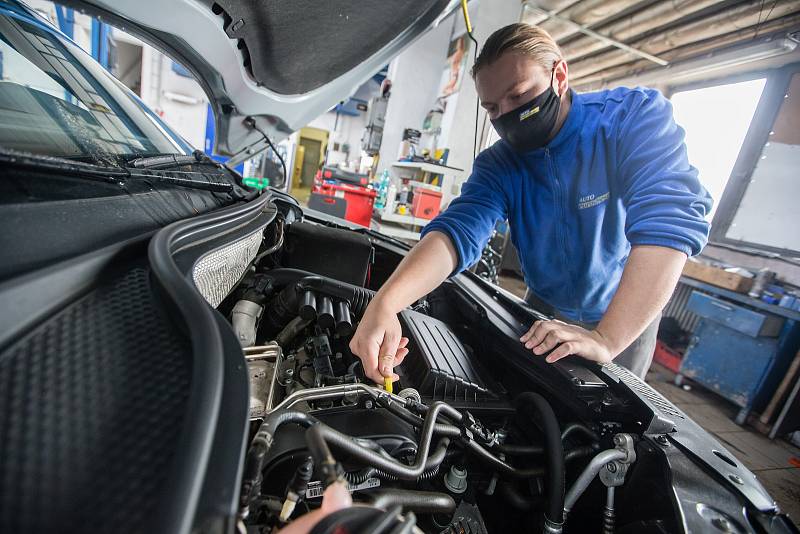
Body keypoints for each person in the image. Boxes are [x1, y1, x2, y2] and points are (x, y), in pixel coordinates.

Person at [350, 23, 712, 382]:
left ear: (559, 76)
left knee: (611, 428)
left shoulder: (628, 119)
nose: (507, 114)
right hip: (542, 308)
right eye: (492, 108)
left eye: (519, 97)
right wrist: (387, 302)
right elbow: (457, 231)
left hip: (624, 316)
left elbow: (670, 218)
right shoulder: (500, 164)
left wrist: (606, 338)